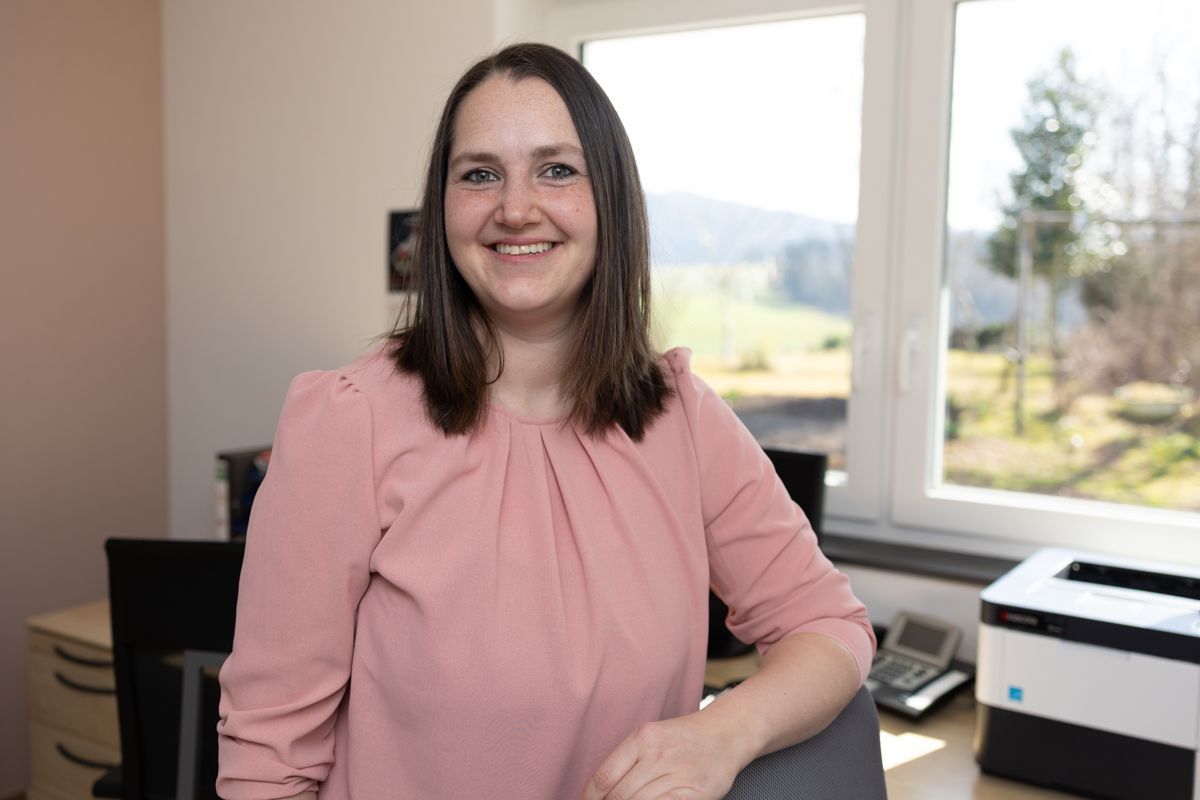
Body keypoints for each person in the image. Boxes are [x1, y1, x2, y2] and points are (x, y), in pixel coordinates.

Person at [216, 42, 874, 800]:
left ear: (611, 203)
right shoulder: (349, 423)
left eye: (557, 169)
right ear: (443, 208)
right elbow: (267, 763)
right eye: (480, 174)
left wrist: (720, 733)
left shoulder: (682, 419)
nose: (515, 207)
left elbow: (830, 627)